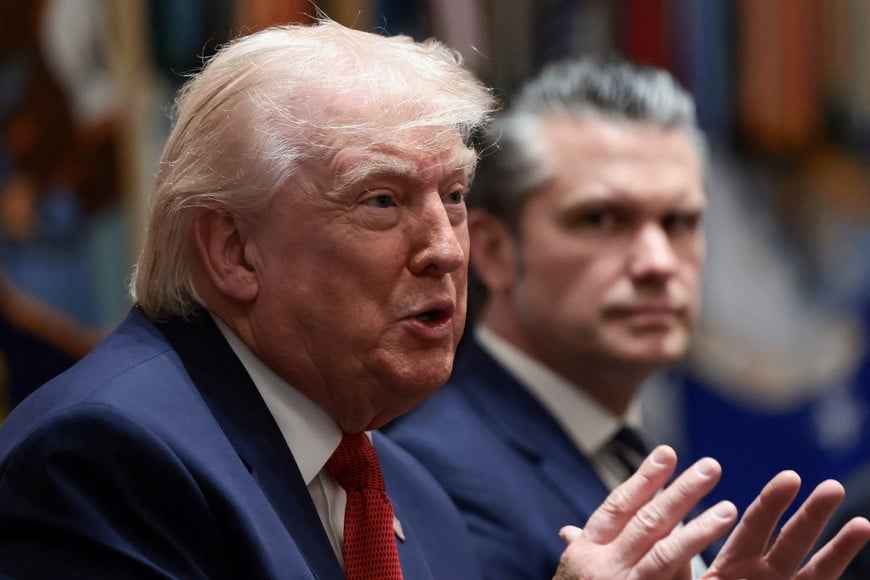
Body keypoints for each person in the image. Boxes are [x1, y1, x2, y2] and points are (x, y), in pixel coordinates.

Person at [0, 19, 865, 580]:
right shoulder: (106, 458)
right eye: (382, 201)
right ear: (233, 250)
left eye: (452, 197)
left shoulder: (407, 492)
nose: (446, 248)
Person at [385, 57, 870, 579]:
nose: (658, 262)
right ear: (497, 252)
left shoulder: (629, 444)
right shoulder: (434, 479)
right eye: (600, 219)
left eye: (680, 221)